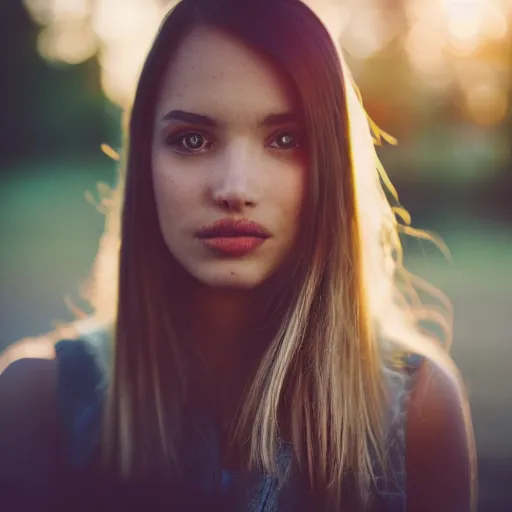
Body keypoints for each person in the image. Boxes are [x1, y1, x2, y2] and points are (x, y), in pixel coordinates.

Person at [0, 0, 476, 510]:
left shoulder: (418, 412)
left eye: (286, 139)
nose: (235, 188)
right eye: (192, 139)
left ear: (333, 167)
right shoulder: (32, 403)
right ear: (144, 164)